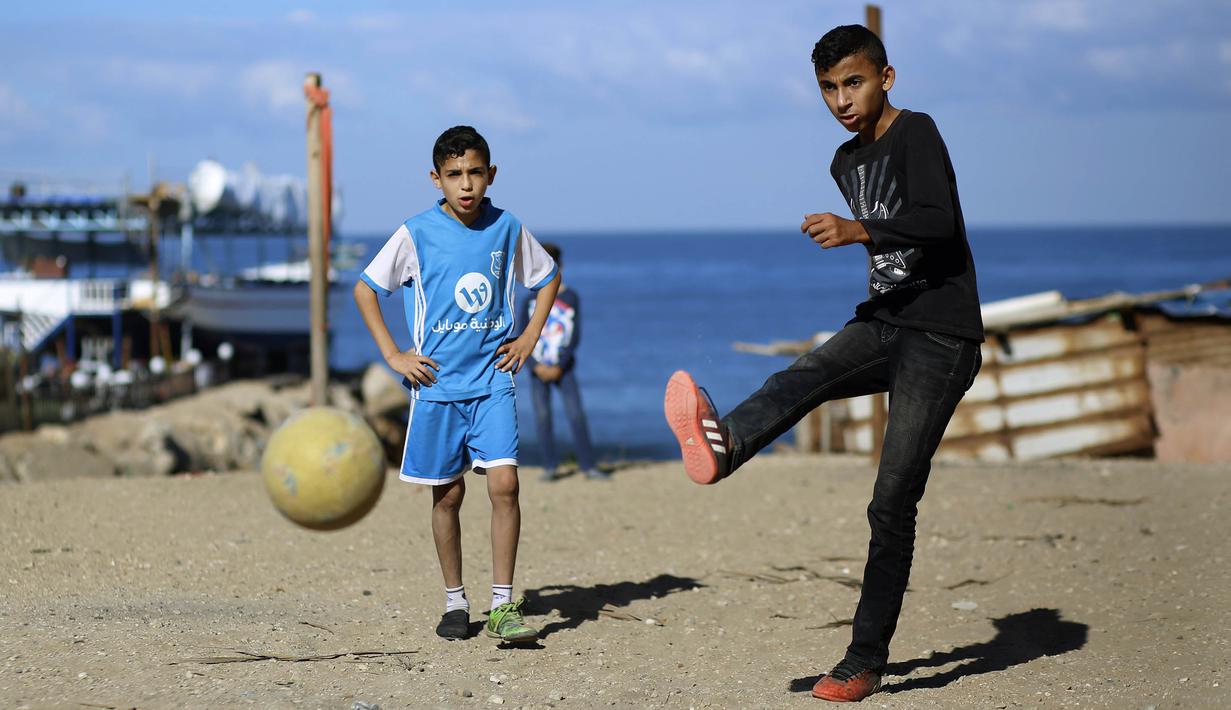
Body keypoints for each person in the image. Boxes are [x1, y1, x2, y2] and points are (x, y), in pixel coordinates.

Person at [663, 25, 983, 702]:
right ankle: (724, 445)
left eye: (853, 83)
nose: (841, 99)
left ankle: (863, 661)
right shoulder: (845, 161)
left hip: (941, 336)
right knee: (801, 375)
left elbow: (940, 222)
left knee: (890, 501)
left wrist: (856, 229)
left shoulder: (917, 131)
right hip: (885, 321)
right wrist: (864, 241)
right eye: (828, 88)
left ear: (885, 78)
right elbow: (894, 250)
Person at [354, 125, 561, 643]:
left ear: (491, 175)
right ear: (436, 179)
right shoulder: (415, 233)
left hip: (493, 381)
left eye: (474, 173)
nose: (465, 185)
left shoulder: (507, 227)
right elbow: (365, 290)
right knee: (447, 497)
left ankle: (502, 605)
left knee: (505, 486)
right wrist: (394, 355)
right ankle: (455, 601)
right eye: (454, 175)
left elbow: (547, 277)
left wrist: (529, 337)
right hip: (437, 387)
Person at [514, 243, 610, 482]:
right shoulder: (529, 300)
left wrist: (560, 365)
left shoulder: (570, 297)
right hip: (537, 369)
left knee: (576, 415)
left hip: (564, 369)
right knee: (543, 417)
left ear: (560, 266)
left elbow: (574, 335)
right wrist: (535, 366)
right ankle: (550, 466)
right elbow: (522, 335)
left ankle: (588, 466)